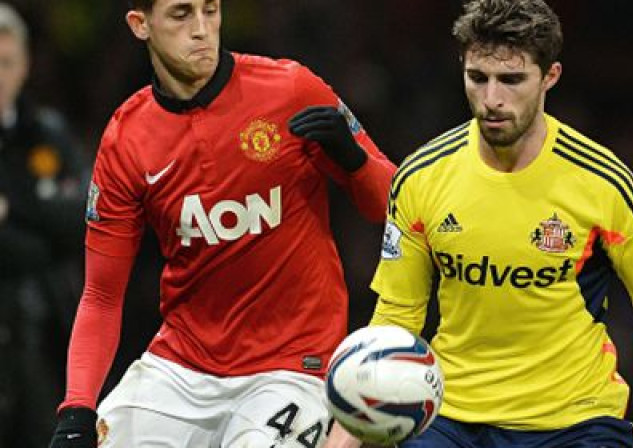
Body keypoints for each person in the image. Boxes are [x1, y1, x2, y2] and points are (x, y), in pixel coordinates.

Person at [326, 1, 633, 447]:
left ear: (550, 77)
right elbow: (397, 316)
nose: (492, 99)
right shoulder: (421, 176)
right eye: (477, 78)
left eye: (512, 80)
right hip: (452, 419)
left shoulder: (602, 180)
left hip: (575, 421)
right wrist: (344, 435)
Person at [48, 0, 395, 446]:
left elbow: (393, 204)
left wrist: (355, 160)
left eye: (210, 11)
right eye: (181, 14)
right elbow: (100, 295)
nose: (202, 30)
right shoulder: (127, 138)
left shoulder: (290, 88)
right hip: (182, 366)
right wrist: (77, 405)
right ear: (140, 25)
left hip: (292, 366)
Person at [0, 3, 88, 446]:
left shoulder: (47, 133)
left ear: (25, 64)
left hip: (45, 330)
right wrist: (42, 224)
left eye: (6, 63)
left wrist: (12, 208)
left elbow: (84, 223)